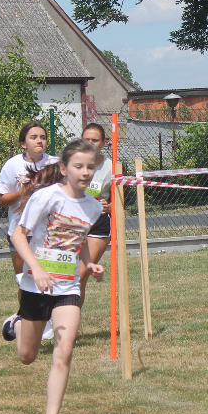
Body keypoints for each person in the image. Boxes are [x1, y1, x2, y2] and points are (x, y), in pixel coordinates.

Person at [10, 139, 105, 414]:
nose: (85, 172)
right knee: (27, 356)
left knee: (63, 352)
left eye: (90, 167)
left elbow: (77, 244)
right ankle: (16, 323)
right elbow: (18, 235)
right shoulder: (47, 197)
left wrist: (89, 265)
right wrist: (36, 268)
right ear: (64, 169)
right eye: (78, 166)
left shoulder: (92, 207)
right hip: (35, 285)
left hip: (67, 288)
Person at [0, 122, 57, 341]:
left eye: (42, 136)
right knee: (24, 279)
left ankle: (50, 319)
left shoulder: (55, 164)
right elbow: (3, 200)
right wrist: (23, 192)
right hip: (20, 230)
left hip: (48, 231)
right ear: (23, 143)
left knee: (48, 275)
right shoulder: (12, 166)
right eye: (33, 137)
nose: (39, 140)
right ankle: (24, 317)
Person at [77, 123, 115, 303]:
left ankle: (68, 323)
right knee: (64, 275)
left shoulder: (112, 167)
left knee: (80, 276)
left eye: (95, 140)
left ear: (104, 143)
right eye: (87, 139)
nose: (90, 143)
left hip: (97, 224)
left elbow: (120, 201)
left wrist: (109, 206)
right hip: (72, 222)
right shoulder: (71, 163)